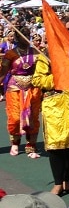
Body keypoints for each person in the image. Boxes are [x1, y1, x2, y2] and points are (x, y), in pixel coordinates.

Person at [31, 16, 69, 196]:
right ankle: (57, 183)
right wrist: (59, 76)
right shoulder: (47, 54)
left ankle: (66, 181)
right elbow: (38, 79)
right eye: (68, 29)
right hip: (56, 105)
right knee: (57, 146)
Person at [0, 27, 42, 158]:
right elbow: (3, 72)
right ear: (17, 37)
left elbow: (42, 70)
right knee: (15, 117)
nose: (24, 37)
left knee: (32, 117)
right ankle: (15, 142)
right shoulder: (10, 54)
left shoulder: (36, 52)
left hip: (32, 88)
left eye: (26, 35)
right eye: (21, 35)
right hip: (15, 89)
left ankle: (31, 145)